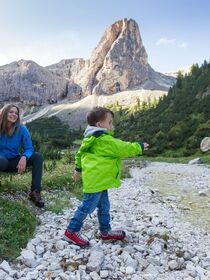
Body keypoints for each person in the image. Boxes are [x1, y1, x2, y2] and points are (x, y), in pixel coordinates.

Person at [64, 106, 149, 247]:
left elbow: (79, 154)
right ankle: (71, 232)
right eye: (109, 122)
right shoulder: (103, 140)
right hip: (96, 181)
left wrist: (78, 170)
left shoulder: (89, 138)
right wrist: (138, 147)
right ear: (99, 125)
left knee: (104, 206)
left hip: (98, 181)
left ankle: (105, 232)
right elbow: (121, 147)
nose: (111, 125)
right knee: (87, 206)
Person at [0, 104, 44, 208]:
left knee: (37, 157)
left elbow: (29, 148)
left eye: (16, 113)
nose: (14, 115)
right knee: (2, 161)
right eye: (11, 112)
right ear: (4, 113)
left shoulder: (21, 129)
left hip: (13, 162)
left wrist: (24, 157)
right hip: (1, 161)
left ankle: (35, 192)